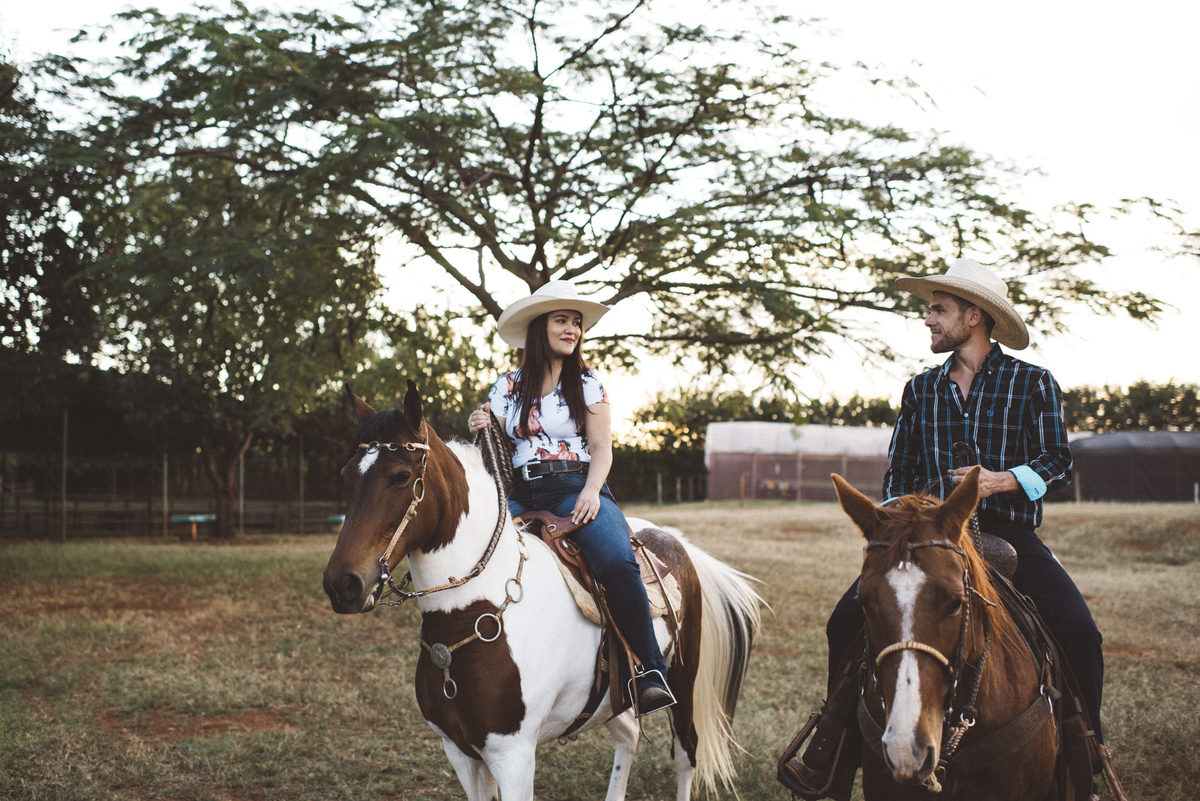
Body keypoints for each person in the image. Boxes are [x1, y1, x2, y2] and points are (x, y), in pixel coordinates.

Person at [790, 258, 1105, 799]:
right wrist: (893, 524)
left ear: (973, 316)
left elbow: (1058, 461)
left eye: (938, 310)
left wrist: (1001, 480)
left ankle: (1083, 752)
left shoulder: (1033, 383)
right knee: (844, 622)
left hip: (1010, 536)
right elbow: (901, 471)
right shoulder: (921, 390)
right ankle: (834, 754)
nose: (929, 320)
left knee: (1081, 633)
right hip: (928, 538)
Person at [466, 280, 676, 716]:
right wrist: (480, 424)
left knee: (617, 561)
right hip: (520, 492)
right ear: (541, 327)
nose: (572, 330)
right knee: (479, 555)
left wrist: (592, 493)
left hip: (576, 486)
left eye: (577, 323)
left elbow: (602, 449)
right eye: (562, 320)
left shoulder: (588, 383)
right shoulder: (507, 386)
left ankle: (648, 671)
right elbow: (498, 447)